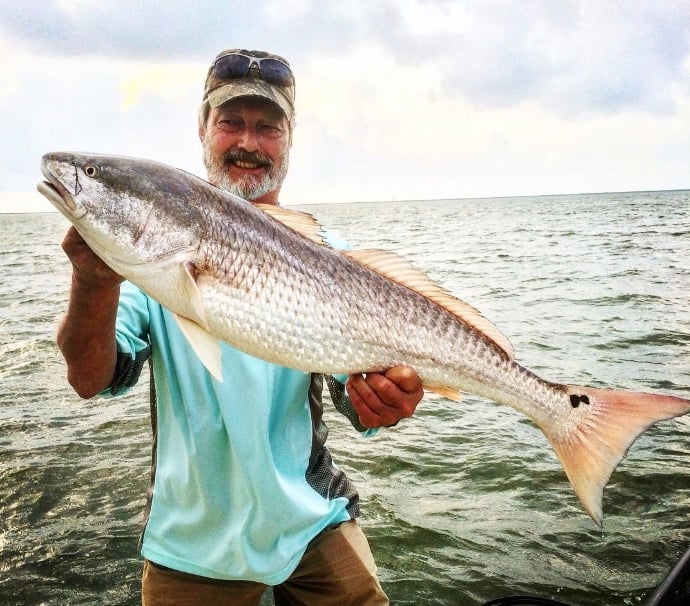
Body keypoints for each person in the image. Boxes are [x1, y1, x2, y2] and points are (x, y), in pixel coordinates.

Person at [56, 48, 424, 605]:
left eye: (267, 127)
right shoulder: (146, 266)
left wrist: (383, 401)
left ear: (290, 138)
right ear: (203, 128)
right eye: (230, 122)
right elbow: (90, 378)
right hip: (192, 541)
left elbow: (357, 400)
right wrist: (92, 281)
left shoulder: (335, 260)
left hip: (311, 521)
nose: (248, 143)